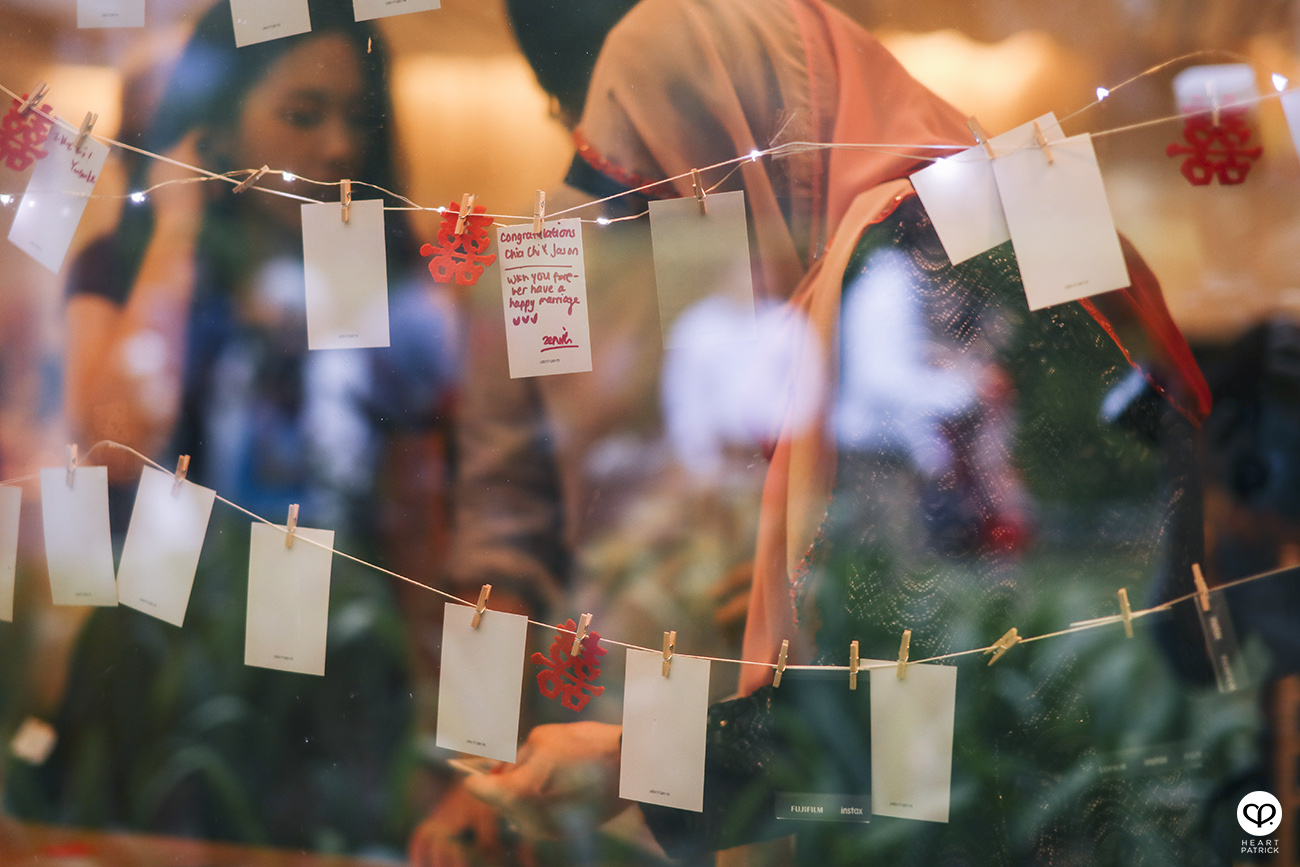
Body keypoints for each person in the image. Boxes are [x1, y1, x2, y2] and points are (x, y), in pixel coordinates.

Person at [460, 0, 1246, 864]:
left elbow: (941, 711)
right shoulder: (1008, 206)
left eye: (679, 191)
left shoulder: (910, 273)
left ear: (742, 130)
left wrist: (636, 761)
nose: (684, 242)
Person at [4, 0, 458, 853]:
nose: (337, 147)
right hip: (159, 676)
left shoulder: (384, 279)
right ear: (217, 126)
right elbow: (114, 444)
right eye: (300, 113)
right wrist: (176, 228)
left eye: (356, 116)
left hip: (339, 682)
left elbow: (412, 519)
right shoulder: (131, 261)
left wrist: (437, 724)